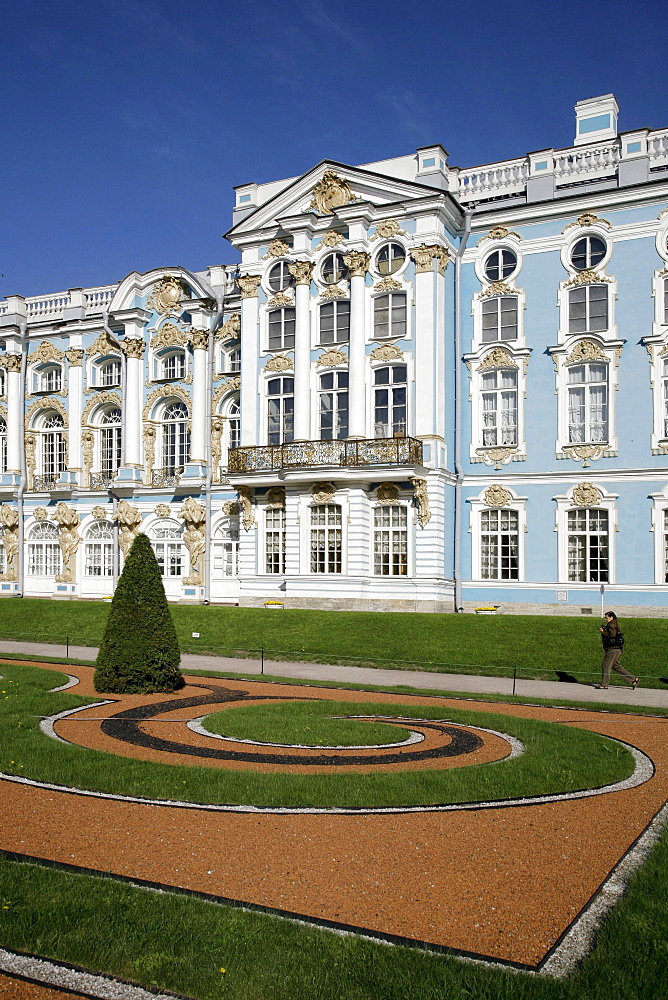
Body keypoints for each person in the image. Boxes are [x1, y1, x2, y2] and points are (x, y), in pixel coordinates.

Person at [596, 611, 639, 690]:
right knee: (616, 666)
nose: (606, 619)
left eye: (607, 618)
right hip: (617, 648)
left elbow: (611, 635)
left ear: (611, 617)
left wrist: (603, 632)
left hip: (612, 648)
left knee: (606, 665)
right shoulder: (613, 624)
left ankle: (604, 684)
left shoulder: (612, 624)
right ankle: (633, 679)